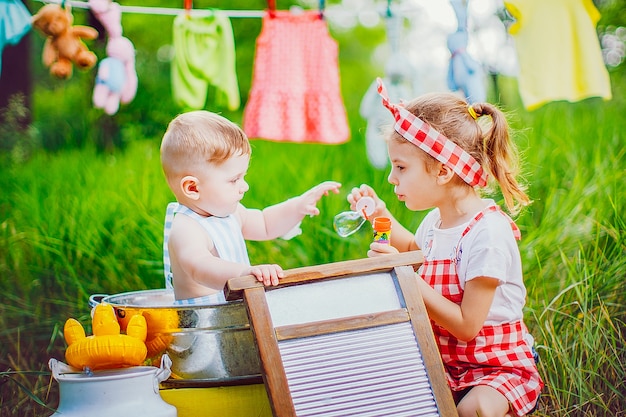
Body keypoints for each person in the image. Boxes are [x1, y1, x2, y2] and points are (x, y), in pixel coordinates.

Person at [347, 78, 543, 417]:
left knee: (475, 409)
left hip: (494, 367)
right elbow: (413, 248)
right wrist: (381, 216)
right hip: (446, 364)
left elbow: (467, 326)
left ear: (442, 170)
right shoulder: (437, 223)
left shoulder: (488, 233)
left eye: (401, 167)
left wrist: (404, 274)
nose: (392, 179)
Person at [160, 110, 341, 305]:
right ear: (193, 188)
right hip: (203, 324)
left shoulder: (230, 214)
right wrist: (243, 274)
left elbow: (265, 223)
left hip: (234, 315)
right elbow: (199, 266)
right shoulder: (187, 227)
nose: (244, 186)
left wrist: (298, 206)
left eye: (242, 177)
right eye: (234, 180)